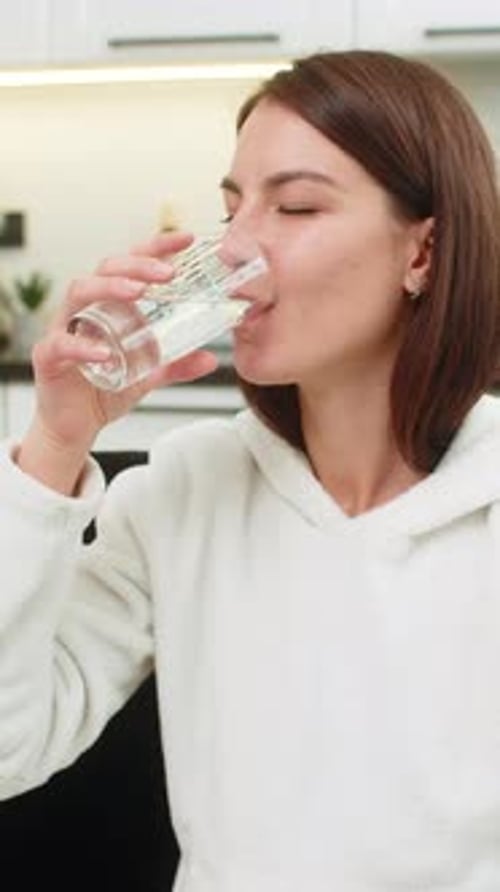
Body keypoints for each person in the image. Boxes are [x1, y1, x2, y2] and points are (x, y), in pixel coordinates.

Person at [1, 48, 500, 891]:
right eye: (231, 208)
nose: (237, 248)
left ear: (423, 252)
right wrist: (54, 445)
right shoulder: (181, 490)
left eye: (296, 206)